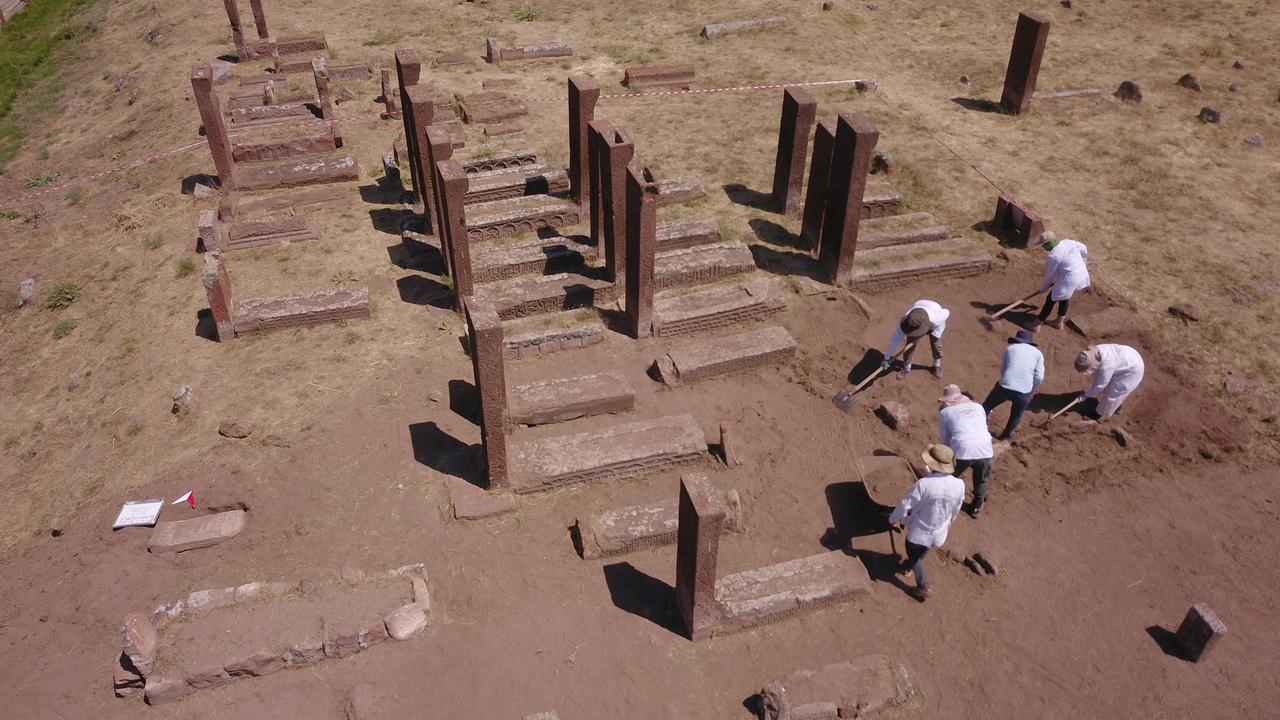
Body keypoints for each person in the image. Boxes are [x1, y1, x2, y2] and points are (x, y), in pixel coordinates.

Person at [889, 444, 965, 600]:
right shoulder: (959, 484)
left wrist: (893, 519)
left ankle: (924, 585)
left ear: (932, 464)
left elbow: (905, 505)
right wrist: (952, 518)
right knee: (923, 549)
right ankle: (908, 567)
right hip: (940, 531)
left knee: (912, 552)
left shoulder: (924, 485)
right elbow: (958, 505)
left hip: (919, 531)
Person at [937, 385, 995, 518]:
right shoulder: (978, 407)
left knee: (948, 477)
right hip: (985, 449)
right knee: (981, 479)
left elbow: (945, 440)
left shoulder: (945, 413)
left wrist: (944, 459)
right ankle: (976, 507)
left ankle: (942, 498)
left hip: (962, 450)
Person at [982, 329, 1046, 440]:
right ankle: (1006, 436)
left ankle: (978, 426)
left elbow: (1004, 369)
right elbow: (1039, 377)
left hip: (1005, 385)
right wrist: (1031, 389)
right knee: (1016, 414)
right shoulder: (1038, 354)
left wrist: (1005, 381)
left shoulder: (1010, 349)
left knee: (987, 406)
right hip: (1024, 391)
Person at [1031, 231, 1089, 330]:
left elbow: (1050, 276)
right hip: (1081, 273)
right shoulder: (1068, 242)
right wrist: (1083, 262)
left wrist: (1042, 289)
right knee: (1064, 296)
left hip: (1070, 278)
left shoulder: (1053, 256)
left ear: (1048, 244)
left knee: (1051, 298)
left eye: (1043, 245)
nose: (1043, 247)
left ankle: (1036, 324)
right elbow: (1084, 247)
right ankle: (1059, 322)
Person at [880, 299, 949, 380]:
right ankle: (906, 368)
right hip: (920, 304)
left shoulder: (936, 320)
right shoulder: (906, 321)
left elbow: (946, 311)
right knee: (909, 345)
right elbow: (895, 340)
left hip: (935, 314)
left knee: (935, 342)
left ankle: (936, 365)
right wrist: (886, 359)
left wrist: (930, 328)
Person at [1074, 344, 1145, 419]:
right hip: (1129, 356)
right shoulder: (1095, 352)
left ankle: (1098, 414)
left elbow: (1101, 385)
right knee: (1105, 382)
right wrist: (1089, 393)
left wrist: (1085, 395)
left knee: (1113, 393)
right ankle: (1115, 405)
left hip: (1133, 371)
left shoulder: (1107, 366)